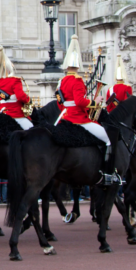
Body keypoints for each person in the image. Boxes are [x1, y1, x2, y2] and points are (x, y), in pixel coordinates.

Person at [55, 35, 118, 186]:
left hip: (65, 116)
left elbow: (60, 102)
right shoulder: (77, 80)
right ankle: (108, 174)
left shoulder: (62, 81)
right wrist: (94, 102)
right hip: (78, 118)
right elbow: (79, 101)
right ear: (77, 65)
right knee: (108, 139)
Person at [0, 46, 31, 130]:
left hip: (2, 115)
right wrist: (28, 100)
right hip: (16, 115)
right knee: (33, 131)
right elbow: (20, 96)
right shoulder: (15, 81)